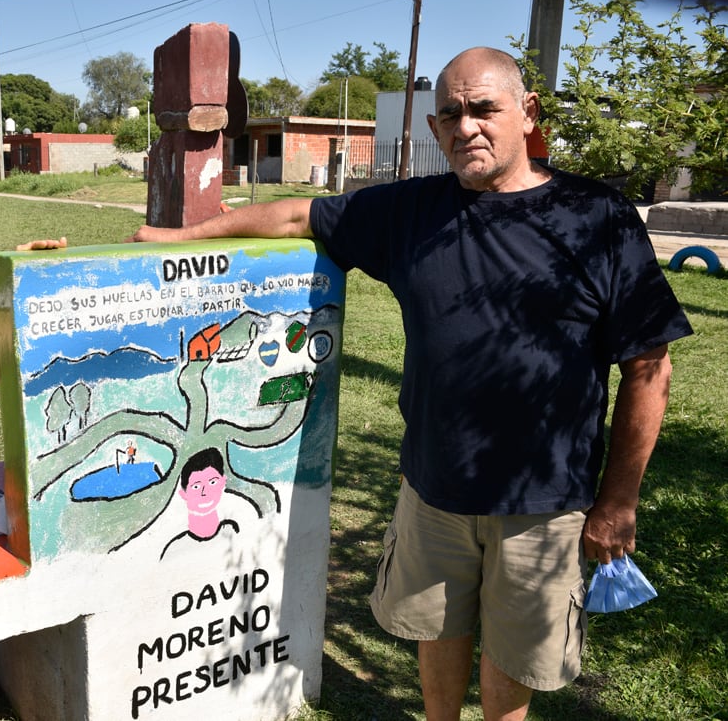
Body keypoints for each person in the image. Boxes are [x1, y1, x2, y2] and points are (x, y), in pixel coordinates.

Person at [129, 47, 693, 720]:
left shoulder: (597, 216)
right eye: (450, 114)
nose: (467, 127)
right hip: (432, 489)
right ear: (434, 128)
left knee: (512, 662)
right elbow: (295, 216)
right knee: (437, 629)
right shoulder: (411, 211)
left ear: (528, 114)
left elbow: (648, 367)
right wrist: (178, 237)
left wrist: (619, 499)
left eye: (485, 108)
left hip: (545, 500)